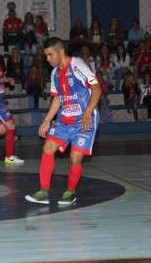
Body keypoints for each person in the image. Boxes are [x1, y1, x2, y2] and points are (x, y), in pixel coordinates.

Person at [25, 37, 101, 205]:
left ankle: (70, 192)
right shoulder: (54, 73)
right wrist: (47, 120)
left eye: (50, 55)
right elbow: (58, 98)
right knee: (48, 147)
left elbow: (97, 89)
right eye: (46, 56)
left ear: (60, 52)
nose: (47, 59)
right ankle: (43, 192)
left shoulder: (78, 65)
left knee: (75, 157)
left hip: (84, 120)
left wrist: (88, 112)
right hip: (64, 119)